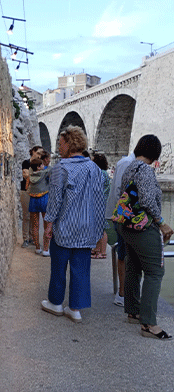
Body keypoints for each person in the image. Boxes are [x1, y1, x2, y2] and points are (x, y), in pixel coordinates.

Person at [41, 126, 105, 323]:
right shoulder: (94, 168)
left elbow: (55, 200)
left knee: (59, 266)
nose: (59, 149)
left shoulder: (61, 168)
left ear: (69, 144)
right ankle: (75, 308)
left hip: (65, 226)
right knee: (81, 269)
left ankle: (56, 303)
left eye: (61, 144)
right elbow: (99, 200)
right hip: (86, 228)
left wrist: (49, 224)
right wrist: (99, 229)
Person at [117, 134, 173, 339]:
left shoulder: (129, 167)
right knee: (155, 272)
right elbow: (148, 201)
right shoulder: (147, 171)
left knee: (134, 266)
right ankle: (149, 324)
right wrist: (162, 223)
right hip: (142, 227)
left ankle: (133, 311)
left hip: (126, 226)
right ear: (155, 152)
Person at [105, 151, 135, 306]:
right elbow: (119, 193)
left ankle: (127, 292)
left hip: (126, 217)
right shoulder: (126, 163)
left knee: (127, 253)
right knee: (123, 253)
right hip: (124, 218)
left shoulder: (128, 163)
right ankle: (122, 293)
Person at [27, 150, 51, 256]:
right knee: (46, 225)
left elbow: (26, 185)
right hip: (44, 198)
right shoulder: (46, 170)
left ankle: (37, 247)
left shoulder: (31, 171)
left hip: (33, 199)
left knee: (35, 225)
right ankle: (46, 249)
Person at [20, 145, 43, 248]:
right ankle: (25, 238)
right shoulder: (26, 163)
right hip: (26, 191)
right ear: (33, 152)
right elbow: (26, 175)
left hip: (36, 191)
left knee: (34, 215)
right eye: (38, 153)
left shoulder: (40, 164)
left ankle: (32, 237)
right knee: (26, 216)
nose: (39, 156)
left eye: (41, 154)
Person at [91, 153, 110, 259]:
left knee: (101, 228)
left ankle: (101, 252)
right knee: (100, 228)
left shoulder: (100, 173)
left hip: (100, 203)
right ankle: (99, 250)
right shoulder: (104, 173)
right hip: (103, 203)